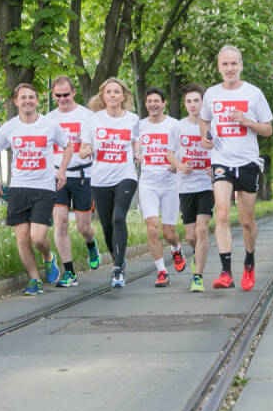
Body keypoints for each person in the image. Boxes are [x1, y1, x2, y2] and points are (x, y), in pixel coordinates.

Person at [0, 83, 70, 295]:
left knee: (38, 237)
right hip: (18, 189)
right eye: (23, 98)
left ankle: (48, 257)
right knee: (22, 238)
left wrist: (62, 171)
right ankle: (34, 280)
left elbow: (67, 146)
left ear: (37, 101)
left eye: (31, 97)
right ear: (16, 102)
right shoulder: (10, 127)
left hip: (43, 188)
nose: (28, 101)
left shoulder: (49, 126)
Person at [199, 45, 273, 291]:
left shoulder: (254, 93)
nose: (229, 68)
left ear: (240, 66)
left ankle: (249, 261)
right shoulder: (211, 93)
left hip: (248, 162)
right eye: (225, 64)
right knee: (221, 214)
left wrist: (248, 122)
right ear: (219, 68)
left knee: (246, 220)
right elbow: (204, 120)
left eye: (234, 64)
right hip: (221, 160)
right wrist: (204, 137)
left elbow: (268, 129)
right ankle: (226, 272)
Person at [79, 78, 141, 289]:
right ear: (103, 96)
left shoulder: (132, 119)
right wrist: (85, 151)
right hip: (100, 178)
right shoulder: (93, 120)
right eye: (109, 92)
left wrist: (138, 153)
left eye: (117, 92)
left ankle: (117, 269)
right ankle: (118, 257)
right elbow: (83, 147)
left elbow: (135, 142)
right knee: (106, 225)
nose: (113, 95)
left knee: (118, 218)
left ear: (124, 96)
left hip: (125, 175)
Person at [48, 75, 101, 288]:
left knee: (83, 227)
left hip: (82, 176)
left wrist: (88, 150)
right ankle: (69, 272)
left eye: (66, 95)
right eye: (58, 96)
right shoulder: (48, 119)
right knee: (60, 222)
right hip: (58, 176)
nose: (62, 99)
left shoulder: (87, 117)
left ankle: (91, 244)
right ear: (53, 95)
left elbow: (97, 143)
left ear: (73, 93)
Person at [137, 86, 186, 288]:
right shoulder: (139, 126)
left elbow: (184, 148)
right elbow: (133, 144)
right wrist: (136, 153)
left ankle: (176, 248)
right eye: (149, 101)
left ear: (163, 103)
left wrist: (177, 163)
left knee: (168, 232)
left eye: (157, 101)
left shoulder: (174, 125)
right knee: (152, 229)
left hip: (170, 183)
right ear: (146, 104)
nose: (153, 104)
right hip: (148, 182)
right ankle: (161, 271)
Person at [176, 84, 214, 292]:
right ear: (185, 104)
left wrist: (215, 167)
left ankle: (197, 276)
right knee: (191, 235)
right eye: (189, 101)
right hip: (185, 186)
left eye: (196, 101)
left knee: (202, 230)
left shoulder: (212, 126)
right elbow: (169, 152)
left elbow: (223, 150)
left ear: (203, 102)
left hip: (207, 185)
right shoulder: (178, 126)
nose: (193, 105)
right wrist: (177, 165)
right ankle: (197, 255)